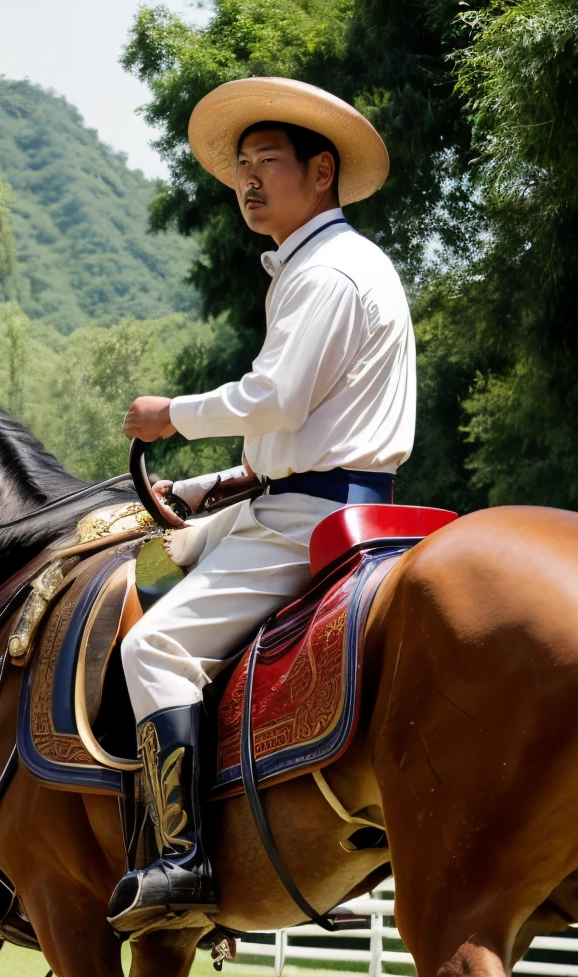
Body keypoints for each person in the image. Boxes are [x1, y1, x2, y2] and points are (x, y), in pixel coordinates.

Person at [109, 76, 416, 930]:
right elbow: (302, 438)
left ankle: (184, 861)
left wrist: (170, 417)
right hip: (327, 501)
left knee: (155, 652)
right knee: (182, 556)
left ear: (322, 172)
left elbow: (275, 400)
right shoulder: (332, 266)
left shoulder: (326, 272)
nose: (248, 181)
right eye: (241, 166)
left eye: (267, 163)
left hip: (305, 524)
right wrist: (202, 492)